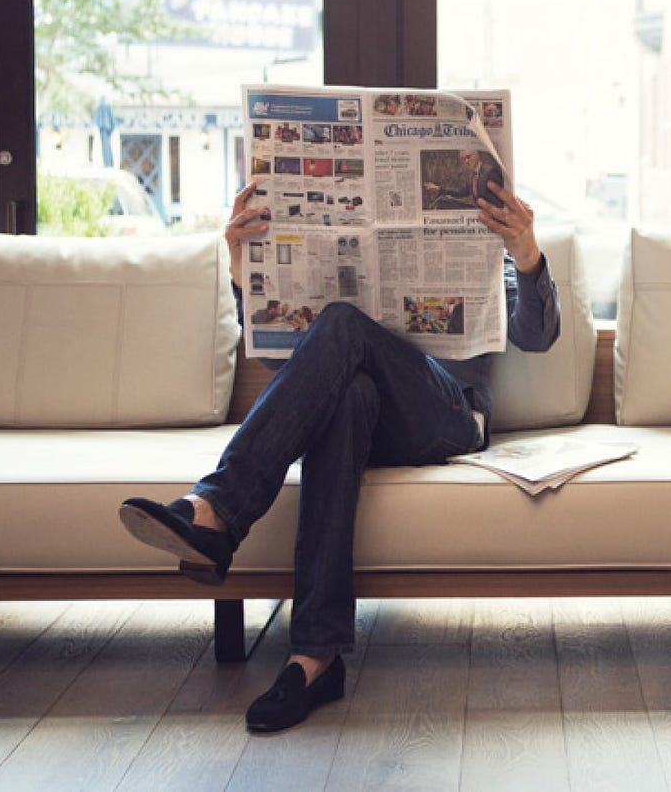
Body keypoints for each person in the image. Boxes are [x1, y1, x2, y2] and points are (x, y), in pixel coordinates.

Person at [117, 177, 558, 733]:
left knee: (343, 322)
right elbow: (293, 375)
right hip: (368, 414)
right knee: (347, 392)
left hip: (447, 416)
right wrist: (241, 271)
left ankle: (219, 510)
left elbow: (538, 337)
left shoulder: (483, 258)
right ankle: (315, 658)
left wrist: (526, 253)